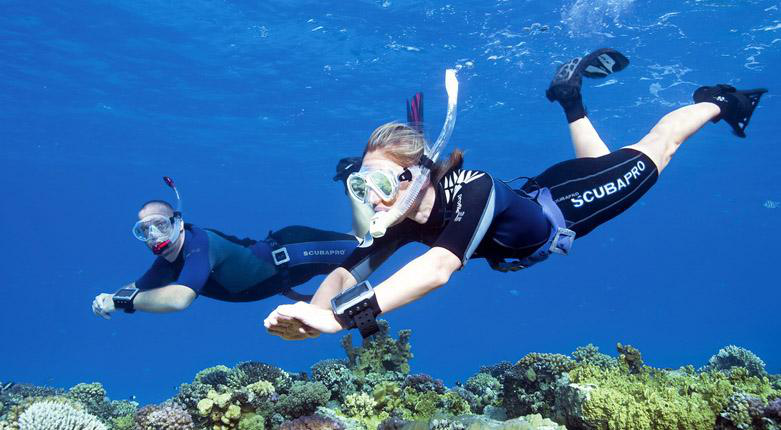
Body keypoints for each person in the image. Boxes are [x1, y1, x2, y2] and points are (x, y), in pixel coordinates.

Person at [263, 48, 766, 340]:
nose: (367, 199)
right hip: (545, 188)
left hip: (567, 208)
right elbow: (345, 271)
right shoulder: (398, 220)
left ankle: (719, 100)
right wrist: (313, 309)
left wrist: (339, 321)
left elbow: (438, 270)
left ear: (414, 176)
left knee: (658, 147)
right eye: (358, 186)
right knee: (602, 160)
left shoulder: (472, 188)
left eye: (375, 184)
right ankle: (570, 98)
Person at [91, 171, 361, 319]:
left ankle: (354, 178)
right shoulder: (167, 263)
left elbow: (179, 299)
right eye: (144, 230)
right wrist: (109, 297)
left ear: (178, 222)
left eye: (160, 225)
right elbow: (136, 288)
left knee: (365, 242)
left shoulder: (199, 244)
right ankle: (353, 181)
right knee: (358, 237)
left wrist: (124, 303)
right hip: (288, 271)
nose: (154, 235)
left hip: (297, 251)